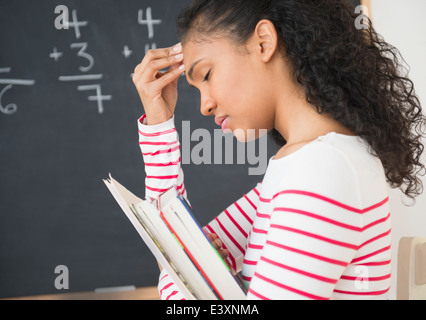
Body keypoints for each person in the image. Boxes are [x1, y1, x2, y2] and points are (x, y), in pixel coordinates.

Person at [132, 0, 425, 300]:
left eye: (206, 75)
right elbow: (178, 252)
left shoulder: (323, 170)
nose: (205, 105)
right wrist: (158, 124)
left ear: (263, 42)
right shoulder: (303, 166)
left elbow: (178, 269)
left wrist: (175, 284)